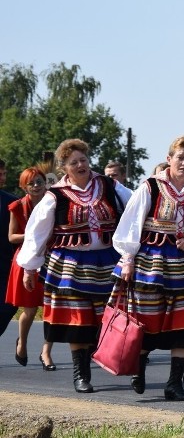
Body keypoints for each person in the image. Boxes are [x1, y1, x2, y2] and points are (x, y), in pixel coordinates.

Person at [17, 140, 132, 392]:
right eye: (74, 162)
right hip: (70, 266)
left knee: (107, 319)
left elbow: (136, 207)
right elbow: (36, 233)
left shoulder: (109, 185)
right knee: (77, 321)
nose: (81, 165)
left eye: (83, 160)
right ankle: (81, 375)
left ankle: (118, 361)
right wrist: (29, 267)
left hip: (106, 262)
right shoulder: (54, 196)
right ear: (64, 167)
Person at [114, 136, 184, 401]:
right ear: (169, 158)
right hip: (152, 264)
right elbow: (130, 225)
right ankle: (139, 368)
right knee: (147, 320)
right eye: (180, 157)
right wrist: (127, 260)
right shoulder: (150, 188)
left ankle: (174, 383)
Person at [6, 167, 54, 370]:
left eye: (39, 182)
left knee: (53, 308)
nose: (36, 186)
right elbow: (11, 237)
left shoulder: (53, 203)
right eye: (31, 183)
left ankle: (46, 353)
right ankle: (22, 343)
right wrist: (35, 234)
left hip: (51, 257)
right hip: (27, 257)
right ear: (24, 186)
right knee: (30, 308)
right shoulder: (17, 206)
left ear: (45, 183)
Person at [0, 158, 20, 341]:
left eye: (4, 173)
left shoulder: (12, 203)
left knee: (9, 305)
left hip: (6, 267)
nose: (2, 177)